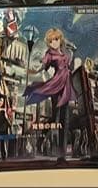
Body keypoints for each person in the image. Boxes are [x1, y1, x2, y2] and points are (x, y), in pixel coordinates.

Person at [23, 28, 75, 164]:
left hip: (66, 86)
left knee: (65, 121)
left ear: (60, 39)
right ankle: (45, 143)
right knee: (56, 118)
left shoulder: (65, 52)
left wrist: (72, 51)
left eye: (56, 39)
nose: (54, 43)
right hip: (56, 86)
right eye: (51, 41)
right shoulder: (49, 54)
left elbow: (70, 64)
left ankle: (62, 156)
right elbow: (42, 66)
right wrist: (33, 70)